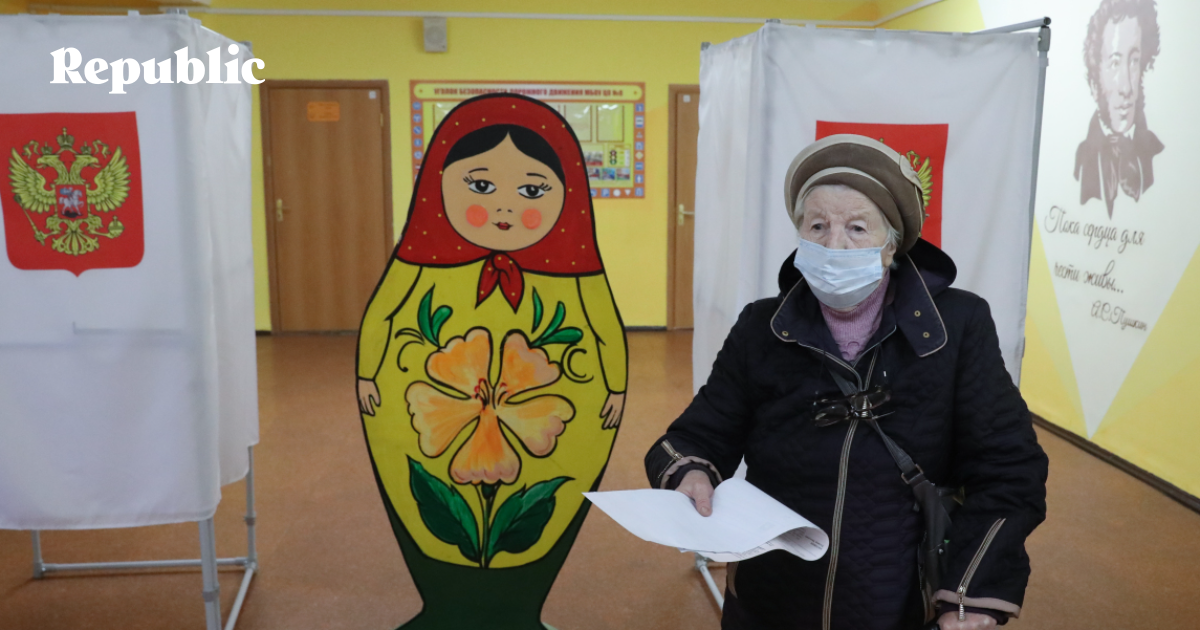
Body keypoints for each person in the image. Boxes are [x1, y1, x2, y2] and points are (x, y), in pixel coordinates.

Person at [645, 135, 1048, 630]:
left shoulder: (957, 327)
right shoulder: (761, 327)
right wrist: (689, 471)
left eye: (857, 227)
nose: (834, 244)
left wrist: (970, 594)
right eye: (817, 226)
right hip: (770, 599)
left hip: (898, 602)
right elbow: (698, 435)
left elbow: (1009, 469)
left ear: (891, 245)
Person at [356, 93, 627, 629]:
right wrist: (367, 373)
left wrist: (615, 387)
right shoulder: (422, 259)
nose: (505, 208)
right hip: (430, 409)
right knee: (430, 502)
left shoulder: (574, 270)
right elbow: (385, 311)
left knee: (537, 510)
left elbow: (602, 328)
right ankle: (443, 607)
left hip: (546, 413)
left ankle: (522, 611)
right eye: (480, 187)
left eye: (532, 191)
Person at [1075, 0, 1164, 217]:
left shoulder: (1159, 153)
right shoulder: (1080, 161)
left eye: (1134, 61)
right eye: (1115, 63)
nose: (1126, 88)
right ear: (1094, 82)